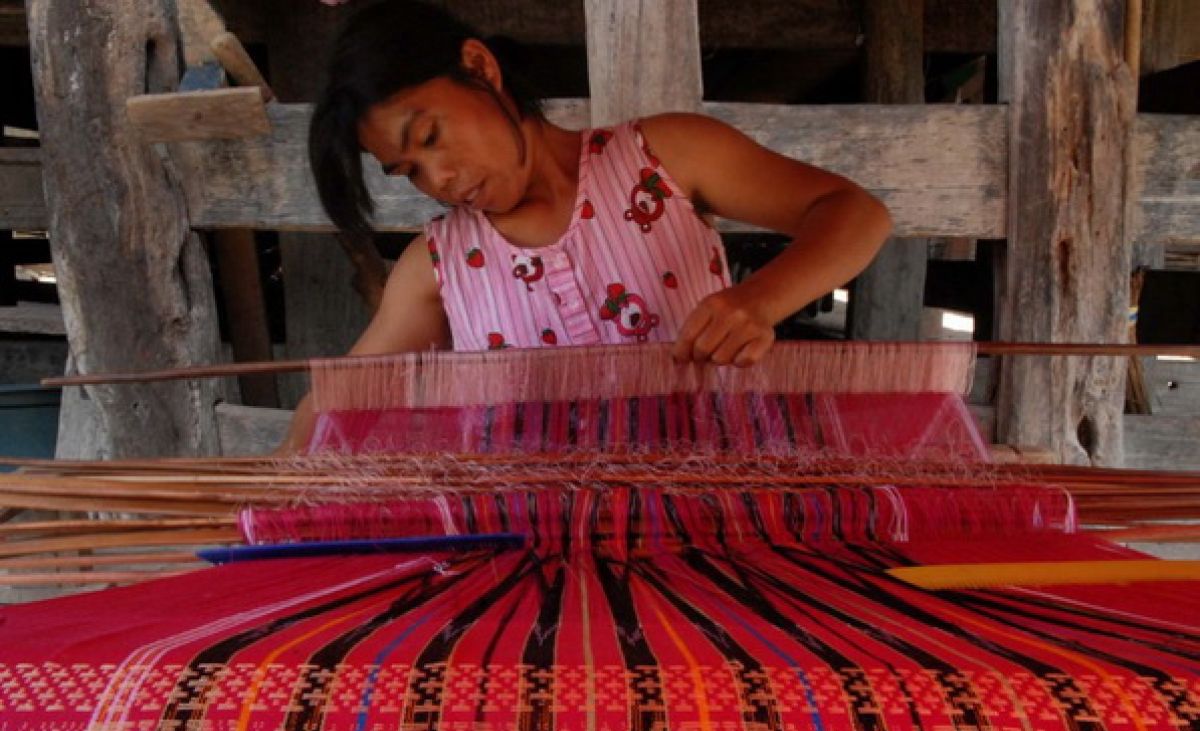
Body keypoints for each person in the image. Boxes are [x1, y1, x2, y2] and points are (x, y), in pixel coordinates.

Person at [277, 0, 892, 453]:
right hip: (536, 560)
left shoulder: (666, 159)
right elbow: (340, 399)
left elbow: (854, 211)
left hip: (706, 520)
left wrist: (759, 301)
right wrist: (260, 496)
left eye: (432, 137)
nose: (439, 177)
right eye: (408, 169)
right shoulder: (435, 268)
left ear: (478, 67)